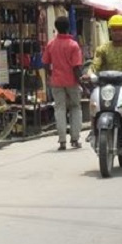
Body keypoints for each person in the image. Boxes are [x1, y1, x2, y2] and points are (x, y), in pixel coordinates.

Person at [42, 16, 84, 150]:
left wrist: (50, 75)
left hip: (56, 81)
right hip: (72, 81)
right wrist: (81, 82)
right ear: (68, 27)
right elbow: (76, 67)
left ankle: (62, 141)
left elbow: (45, 63)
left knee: (59, 109)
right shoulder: (73, 45)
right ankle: (75, 139)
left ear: (56, 28)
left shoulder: (51, 44)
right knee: (75, 108)